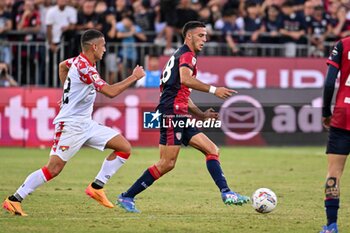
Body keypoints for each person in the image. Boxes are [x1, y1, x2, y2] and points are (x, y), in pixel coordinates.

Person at [2, 29, 145, 216]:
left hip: (86, 123)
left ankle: (96, 187)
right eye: (103, 46)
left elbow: (62, 66)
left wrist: (66, 96)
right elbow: (109, 92)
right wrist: (134, 77)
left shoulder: (76, 61)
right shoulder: (86, 68)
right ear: (93, 47)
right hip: (70, 125)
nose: (105, 49)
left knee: (124, 148)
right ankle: (14, 200)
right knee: (53, 169)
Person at [117, 21, 250, 213]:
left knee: (212, 149)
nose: (205, 39)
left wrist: (201, 115)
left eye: (205, 36)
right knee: (167, 163)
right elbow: (186, 80)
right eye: (200, 35)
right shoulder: (187, 55)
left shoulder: (180, 55)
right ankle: (127, 196)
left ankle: (226, 192)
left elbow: (181, 92)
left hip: (178, 112)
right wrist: (214, 90)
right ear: (189, 36)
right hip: (171, 113)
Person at [320, 36, 350, 233]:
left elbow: (330, 83)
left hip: (343, 113)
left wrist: (325, 112)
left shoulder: (344, 44)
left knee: (334, 173)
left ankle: (331, 225)